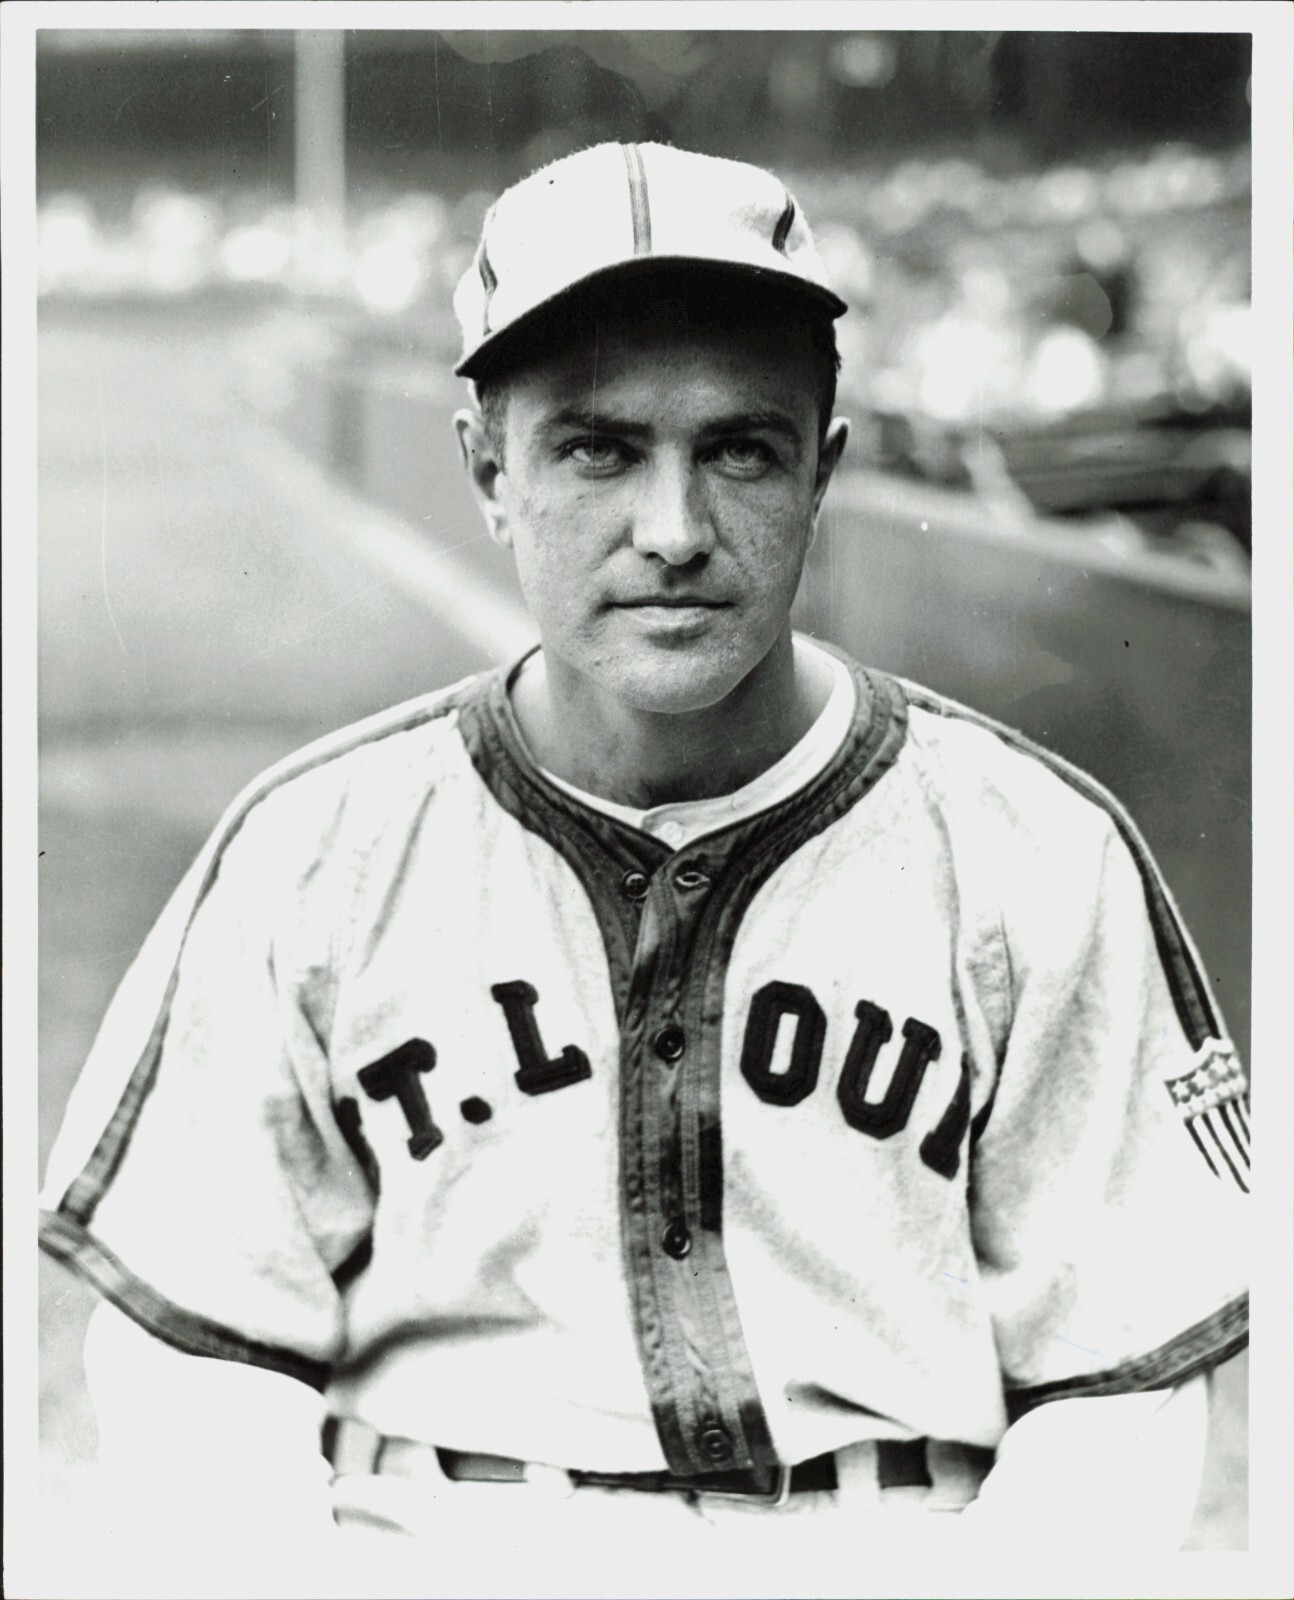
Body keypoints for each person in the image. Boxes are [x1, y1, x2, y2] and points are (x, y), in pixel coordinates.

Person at [40, 143, 1248, 1598]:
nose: (672, 534)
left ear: (824, 472)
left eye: (738, 450)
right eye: (598, 450)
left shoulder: (1031, 850)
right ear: (488, 471)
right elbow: (194, 1357)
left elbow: (1118, 1385)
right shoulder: (314, 852)